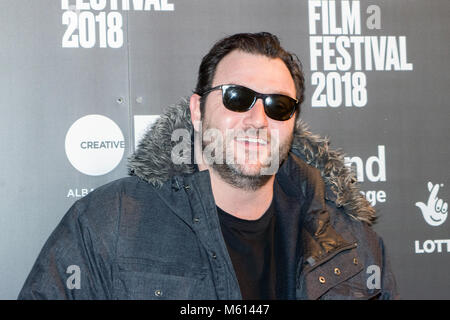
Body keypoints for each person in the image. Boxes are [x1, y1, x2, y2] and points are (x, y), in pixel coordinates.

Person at [18, 32, 398, 300]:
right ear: (198, 111)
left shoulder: (351, 243)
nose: (258, 120)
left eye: (277, 105)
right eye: (238, 97)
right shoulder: (107, 223)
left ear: (293, 121)